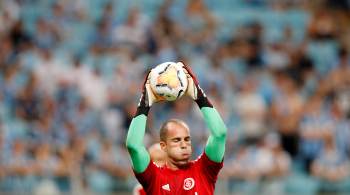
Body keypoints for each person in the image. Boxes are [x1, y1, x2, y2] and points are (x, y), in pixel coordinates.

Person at [126, 62, 227, 194]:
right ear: (163, 146)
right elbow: (133, 146)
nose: (183, 144)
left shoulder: (204, 170)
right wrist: (145, 102)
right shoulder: (154, 178)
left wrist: (198, 95)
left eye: (187, 139)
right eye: (176, 140)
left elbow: (220, 134)